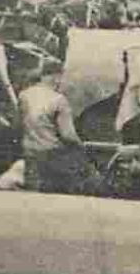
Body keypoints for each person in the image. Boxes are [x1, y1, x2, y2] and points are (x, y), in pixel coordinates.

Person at [17, 59, 93, 195]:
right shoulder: (58, 100)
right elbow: (67, 135)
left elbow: (18, 124)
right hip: (52, 156)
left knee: (31, 197)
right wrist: (81, 146)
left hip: (29, 154)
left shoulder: (24, 95)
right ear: (56, 77)